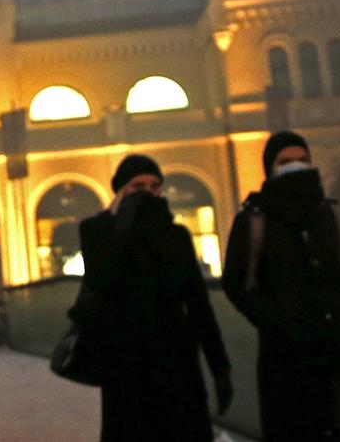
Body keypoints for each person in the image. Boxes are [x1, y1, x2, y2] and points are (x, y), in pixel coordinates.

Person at [222, 130, 340, 442]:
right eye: (285, 161)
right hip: (289, 364)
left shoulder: (329, 215)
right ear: (270, 168)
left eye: (303, 160)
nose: (296, 167)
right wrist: (280, 324)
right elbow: (237, 284)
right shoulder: (254, 220)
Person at [72, 153, 232, 442]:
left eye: (154, 186)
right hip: (126, 368)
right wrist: (125, 225)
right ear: (121, 190)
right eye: (138, 186)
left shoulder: (176, 236)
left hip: (177, 363)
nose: (147, 193)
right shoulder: (97, 231)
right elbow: (103, 284)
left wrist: (219, 367)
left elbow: (198, 304)